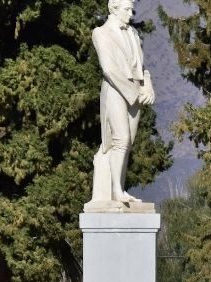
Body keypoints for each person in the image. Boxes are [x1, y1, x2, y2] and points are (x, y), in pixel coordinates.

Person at [90, 0, 155, 204]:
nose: (131, 14)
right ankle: (116, 191)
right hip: (116, 89)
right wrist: (133, 92)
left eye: (132, 10)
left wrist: (147, 86)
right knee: (120, 140)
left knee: (128, 143)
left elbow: (142, 66)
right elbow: (109, 70)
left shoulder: (133, 33)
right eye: (127, 9)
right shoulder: (101, 32)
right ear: (114, 8)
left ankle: (119, 187)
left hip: (135, 91)